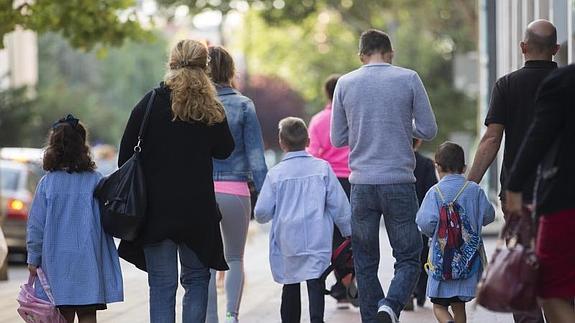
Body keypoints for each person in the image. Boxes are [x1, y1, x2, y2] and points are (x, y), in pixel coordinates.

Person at [118, 40, 235, 322]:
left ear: (171, 63)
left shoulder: (150, 103)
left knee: (162, 286)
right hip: (197, 212)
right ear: (204, 67)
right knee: (196, 280)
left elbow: (124, 158)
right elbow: (225, 149)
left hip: (156, 212)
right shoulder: (210, 108)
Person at [330, 29, 437, 323]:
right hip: (400, 182)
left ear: (361, 55)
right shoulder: (408, 78)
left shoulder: (345, 83)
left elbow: (337, 138)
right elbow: (429, 130)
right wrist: (401, 127)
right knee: (409, 256)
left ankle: (375, 317)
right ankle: (389, 307)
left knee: (364, 262)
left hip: (361, 185)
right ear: (390, 52)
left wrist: (365, 128)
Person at [467, 19, 559, 323]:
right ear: (556, 50)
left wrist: (469, 185)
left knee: (521, 265)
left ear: (523, 47)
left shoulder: (507, 84)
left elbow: (491, 139)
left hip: (517, 194)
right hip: (562, 192)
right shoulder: (566, 83)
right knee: (559, 264)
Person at [27, 115, 123, 323]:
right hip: (88, 262)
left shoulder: (47, 184)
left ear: (53, 147)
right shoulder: (95, 181)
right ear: (83, 146)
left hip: (56, 264)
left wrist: (33, 258)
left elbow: (36, 227)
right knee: (88, 314)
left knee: (61, 315)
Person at [254, 117, 352, 323]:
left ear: (281, 142)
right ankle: (317, 320)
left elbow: (261, 213)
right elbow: (339, 205)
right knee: (315, 282)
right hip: (318, 239)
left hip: (287, 241)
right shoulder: (322, 169)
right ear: (308, 141)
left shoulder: (276, 174)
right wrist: (347, 230)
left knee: (290, 284)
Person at [505, 64, 575, 323]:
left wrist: (514, 187)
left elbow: (538, 138)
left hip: (566, 200)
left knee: (549, 288)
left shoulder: (564, 82)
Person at [206, 45, 268, 323]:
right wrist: (268, 196)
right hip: (235, 191)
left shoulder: (195, 106)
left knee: (206, 262)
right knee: (234, 259)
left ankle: (209, 317)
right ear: (231, 71)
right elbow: (256, 157)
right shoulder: (244, 105)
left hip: (202, 193)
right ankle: (232, 315)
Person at [416, 142, 495, 323]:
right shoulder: (475, 190)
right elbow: (489, 216)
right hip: (468, 264)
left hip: (442, 264)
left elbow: (424, 222)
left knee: (439, 306)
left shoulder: (434, 193)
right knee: (459, 306)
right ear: (464, 167)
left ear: (438, 167)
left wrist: (433, 233)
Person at [308, 74, 355, 306]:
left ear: (327, 94)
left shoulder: (318, 121)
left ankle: (344, 282)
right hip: (355, 179)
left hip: (329, 181)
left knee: (334, 235)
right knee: (355, 231)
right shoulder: (354, 118)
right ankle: (351, 279)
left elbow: (314, 155)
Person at [408, 138, 438, 310]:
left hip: (404, 216)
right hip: (423, 216)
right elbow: (431, 189)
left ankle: (409, 291)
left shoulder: (399, 163)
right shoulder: (425, 163)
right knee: (424, 254)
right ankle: (421, 292)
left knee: (405, 255)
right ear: (418, 142)